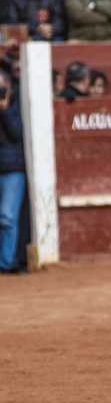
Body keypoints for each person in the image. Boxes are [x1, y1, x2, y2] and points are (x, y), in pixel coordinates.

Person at [0, 69, 25, 274]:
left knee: (7, 217)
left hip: (11, 166)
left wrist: (5, 110)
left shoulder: (17, 103)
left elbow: (17, 134)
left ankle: (6, 262)